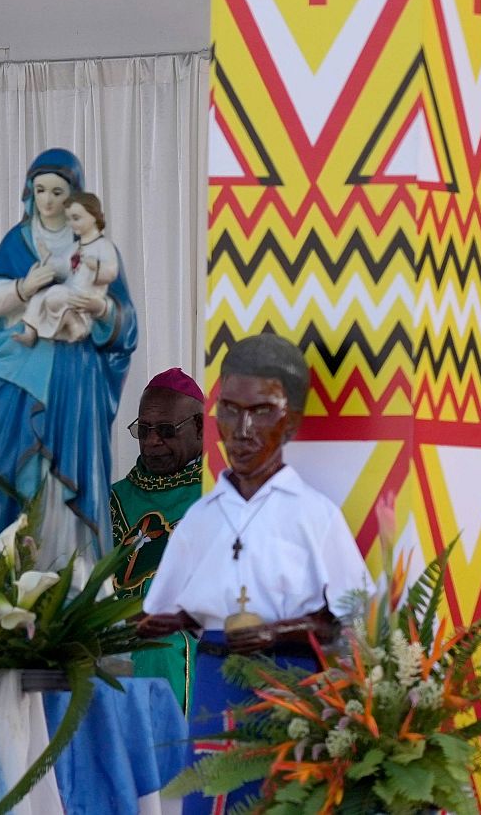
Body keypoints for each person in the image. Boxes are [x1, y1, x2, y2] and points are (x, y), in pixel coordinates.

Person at [139, 333, 368, 815]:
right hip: (212, 683)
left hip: (288, 685)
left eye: (261, 411)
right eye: (230, 409)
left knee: (276, 801)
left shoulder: (312, 515)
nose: (242, 429)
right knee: (207, 801)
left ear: (291, 421)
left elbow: (353, 616)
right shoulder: (202, 516)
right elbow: (164, 609)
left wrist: (281, 630)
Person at [0, 148, 138, 569]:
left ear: (74, 196)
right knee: (11, 465)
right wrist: (25, 287)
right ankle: (7, 578)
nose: (48, 200)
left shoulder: (96, 245)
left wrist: (101, 310)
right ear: (30, 191)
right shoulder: (18, 240)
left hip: (74, 376)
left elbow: (125, 322)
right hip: (23, 381)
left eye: (58, 192)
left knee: (73, 471)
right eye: (40, 189)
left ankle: (74, 577)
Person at [109, 367, 206, 713]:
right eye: (144, 430)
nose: (152, 442)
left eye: (166, 431)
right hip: (115, 630)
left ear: (200, 427)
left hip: (191, 632)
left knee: (161, 647)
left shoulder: (220, 497)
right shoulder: (116, 498)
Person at [15, 192, 121, 347]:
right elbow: (63, 267)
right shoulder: (75, 247)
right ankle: (30, 332)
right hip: (70, 290)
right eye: (69, 219)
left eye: (76, 218)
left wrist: (97, 266)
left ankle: (75, 325)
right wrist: (47, 257)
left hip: (86, 295)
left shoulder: (103, 246)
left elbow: (111, 272)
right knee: (39, 297)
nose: (72, 223)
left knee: (55, 294)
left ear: (93, 216)